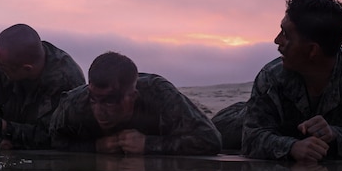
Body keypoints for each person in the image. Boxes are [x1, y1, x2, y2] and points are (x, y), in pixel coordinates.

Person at [241, 0, 342, 161]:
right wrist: (292, 147)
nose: (277, 40)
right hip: (242, 118)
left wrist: (334, 134)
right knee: (220, 134)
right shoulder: (271, 77)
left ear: (312, 50)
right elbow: (250, 138)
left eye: (286, 34)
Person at [49, 52, 221, 155]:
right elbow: (53, 139)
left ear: (132, 96)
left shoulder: (159, 94)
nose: (99, 110)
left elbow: (210, 139)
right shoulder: (74, 104)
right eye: (93, 99)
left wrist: (149, 145)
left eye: (110, 101)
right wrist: (95, 147)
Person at [0, 24, 85, 149]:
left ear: (27, 68)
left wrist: (5, 128)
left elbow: (58, 137)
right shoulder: (3, 60)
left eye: (3, 67)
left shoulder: (65, 80)